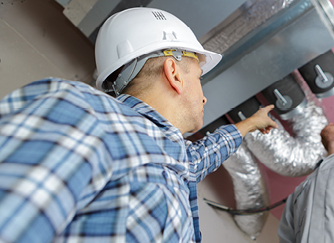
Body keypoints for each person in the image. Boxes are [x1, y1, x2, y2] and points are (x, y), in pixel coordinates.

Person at [0, 7, 277, 243]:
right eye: (198, 77)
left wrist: (251, 123)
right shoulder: (84, 113)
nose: (204, 95)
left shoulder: (167, 155)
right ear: (174, 74)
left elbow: (199, 158)